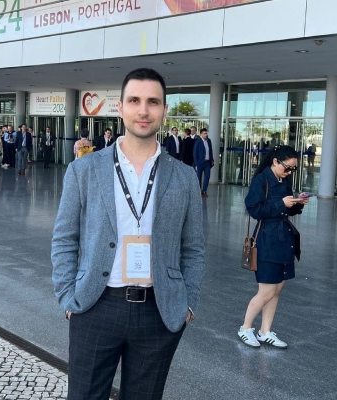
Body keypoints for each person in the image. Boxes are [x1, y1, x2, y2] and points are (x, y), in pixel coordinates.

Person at [52, 68, 205, 400]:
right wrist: (68, 296)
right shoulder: (84, 170)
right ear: (120, 108)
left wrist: (188, 304)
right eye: (134, 100)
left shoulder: (185, 177)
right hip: (95, 305)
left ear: (164, 110)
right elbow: (64, 237)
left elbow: (193, 247)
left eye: (153, 102)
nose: (143, 110)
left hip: (158, 312)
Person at [237, 145, 309, 349]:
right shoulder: (261, 180)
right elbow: (254, 209)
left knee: (276, 290)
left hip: (284, 239)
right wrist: (281, 204)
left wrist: (297, 203)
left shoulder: (283, 180)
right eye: (287, 168)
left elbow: (286, 210)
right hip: (267, 240)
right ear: (275, 161)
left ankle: (265, 331)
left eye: (293, 169)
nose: (289, 172)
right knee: (266, 291)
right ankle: (245, 328)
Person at [193, 128, 214, 197]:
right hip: (200, 162)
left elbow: (210, 151)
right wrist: (196, 162)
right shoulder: (198, 142)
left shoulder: (209, 141)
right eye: (204, 134)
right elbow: (195, 153)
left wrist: (212, 160)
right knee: (198, 178)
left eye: (206, 133)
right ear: (201, 134)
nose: (206, 135)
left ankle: (204, 191)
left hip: (207, 162)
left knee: (207, 176)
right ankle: (198, 191)